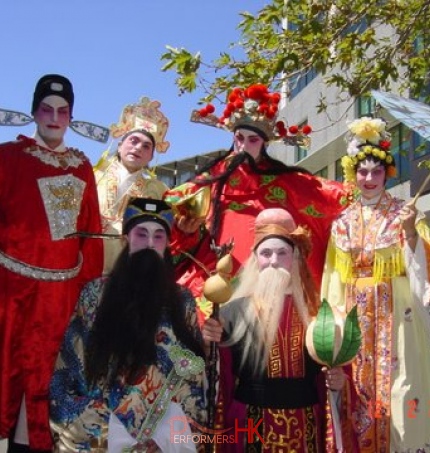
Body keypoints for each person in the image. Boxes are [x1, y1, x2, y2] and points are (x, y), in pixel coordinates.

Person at [164, 83, 349, 321]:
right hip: (213, 283)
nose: (243, 145)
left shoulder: (287, 183)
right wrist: (184, 230)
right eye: (239, 138)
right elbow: (173, 218)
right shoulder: (207, 183)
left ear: (264, 144)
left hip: (268, 281)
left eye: (252, 140)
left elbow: (329, 195)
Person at [49, 197, 207, 452]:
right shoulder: (95, 294)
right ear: (125, 240)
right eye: (141, 234)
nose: (149, 244)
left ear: (167, 245)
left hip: (163, 435)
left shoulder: (183, 301)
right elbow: (69, 365)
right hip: (101, 429)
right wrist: (101, 425)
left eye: (158, 237)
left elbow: (193, 373)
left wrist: (171, 432)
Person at [0, 74, 103, 452]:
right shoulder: (8, 156)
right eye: (47, 109)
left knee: (49, 373)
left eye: (63, 111)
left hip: (62, 293)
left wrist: (88, 294)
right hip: (11, 290)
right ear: (34, 112)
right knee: (7, 369)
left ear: (71, 117)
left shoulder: (81, 166)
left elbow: (90, 234)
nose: (54, 117)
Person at [321, 116, 430, 452]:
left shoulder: (405, 213)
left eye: (377, 171)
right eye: (363, 171)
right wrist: (332, 322)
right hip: (355, 315)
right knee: (357, 392)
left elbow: (422, 269)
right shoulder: (341, 221)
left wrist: (411, 233)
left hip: (397, 318)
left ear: (387, 173)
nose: (369, 179)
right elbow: (333, 277)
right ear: (353, 174)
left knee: (400, 388)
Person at [203, 208, 347, 452]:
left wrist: (338, 381)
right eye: (266, 253)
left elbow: (330, 374)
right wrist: (207, 344)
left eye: (283, 253)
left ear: (295, 258)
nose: (273, 260)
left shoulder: (317, 313)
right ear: (255, 260)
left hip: (306, 427)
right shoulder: (231, 312)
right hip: (248, 423)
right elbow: (218, 375)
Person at [94, 97, 170, 275]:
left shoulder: (160, 190)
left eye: (146, 146)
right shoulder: (93, 177)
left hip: (133, 269)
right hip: (91, 260)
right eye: (133, 141)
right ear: (120, 146)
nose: (138, 148)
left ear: (151, 156)